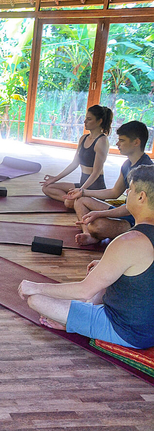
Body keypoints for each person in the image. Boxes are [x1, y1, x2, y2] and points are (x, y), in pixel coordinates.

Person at [18, 164, 154, 350]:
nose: (126, 192)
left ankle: (75, 323)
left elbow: (84, 291)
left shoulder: (129, 241)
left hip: (127, 331)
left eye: (129, 189)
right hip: (147, 326)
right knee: (102, 274)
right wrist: (107, 264)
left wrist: (36, 286)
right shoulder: (138, 240)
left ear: (141, 197)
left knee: (36, 299)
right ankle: (83, 313)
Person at [68, 121, 152, 245]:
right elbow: (114, 192)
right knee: (80, 200)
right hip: (123, 210)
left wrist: (99, 214)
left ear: (136, 142)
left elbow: (131, 209)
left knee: (97, 226)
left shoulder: (146, 171)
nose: (117, 144)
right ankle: (88, 234)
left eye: (122, 140)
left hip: (135, 220)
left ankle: (93, 231)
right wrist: (83, 191)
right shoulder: (127, 164)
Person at [41, 105, 112, 207]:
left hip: (94, 189)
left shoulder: (102, 141)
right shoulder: (83, 138)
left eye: (89, 119)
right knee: (47, 188)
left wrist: (81, 190)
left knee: (68, 203)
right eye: (85, 118)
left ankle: (74, 200)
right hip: (82, 184)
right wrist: (55, 178)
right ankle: (74, 200)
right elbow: (74, 163)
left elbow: (96, 172)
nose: (85, 122)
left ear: (99, 121)